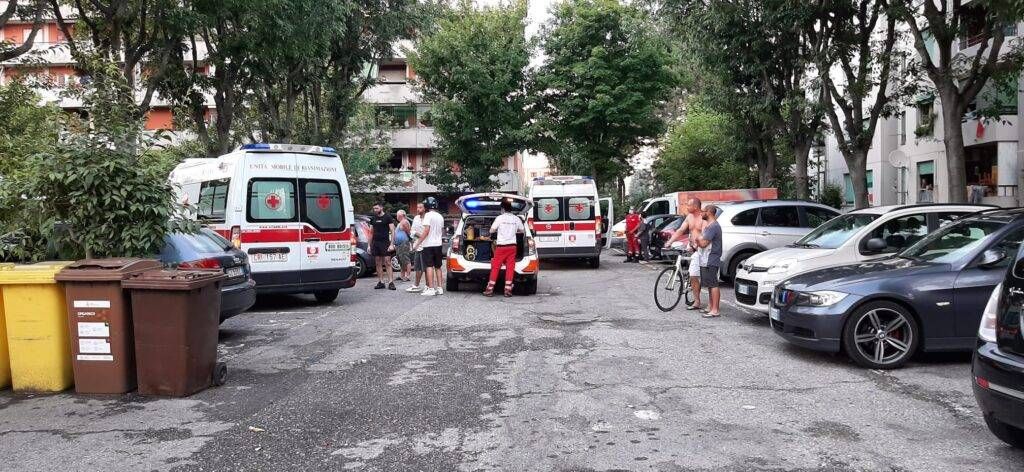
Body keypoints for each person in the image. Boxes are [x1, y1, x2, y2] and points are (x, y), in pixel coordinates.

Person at [663, 197, 707, 310]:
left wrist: (696, 246)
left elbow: (705, 235)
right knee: (691, 273)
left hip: (701, 248)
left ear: (695, 206)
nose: (687, 207)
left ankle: (698, 299)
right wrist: (669, 242)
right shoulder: (689, 217)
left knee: (696, 275)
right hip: (691, 246)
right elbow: (680, 230)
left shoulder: (703, 218)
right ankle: (695, 298)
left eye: (689, 205)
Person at [484, 199, 525, 297]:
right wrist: (513, 231)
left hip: (501, 247)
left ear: (502, 209)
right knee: (510, 268)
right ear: (511, 208)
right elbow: (522, 230)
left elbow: (491, 230)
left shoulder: (499, 218)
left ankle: (489, 290)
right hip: (512, 247)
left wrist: (498, 230)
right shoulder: (516, 219)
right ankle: (508, 290)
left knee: (495, 267)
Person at [412, 196, 446, 296]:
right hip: (438, 244)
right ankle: (440, 288)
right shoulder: (440, 216)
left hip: (428, 245)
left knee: (429, 266)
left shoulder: (427, 216)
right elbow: (441, 231)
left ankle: (431, 288)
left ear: (427, 205)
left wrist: (418, 243)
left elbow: (426, 230)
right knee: (438, 266)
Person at [695, 204, 723, 317]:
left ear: (709, 212)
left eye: (702, 211)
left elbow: (703, 243)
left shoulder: (713, 226)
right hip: (706, 258)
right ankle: (711, 307)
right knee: (710, 285)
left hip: (711, 258)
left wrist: (697, 239)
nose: (701, 213)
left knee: (713, 284)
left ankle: (715, 310)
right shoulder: (709, 226)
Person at [368, 204, 397, 290]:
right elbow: (371, 232)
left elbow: (393, 231)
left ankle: (391, 282)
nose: (375, 210)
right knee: (377, 262)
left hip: (385, 243)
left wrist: (392, 244)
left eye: (376, 208)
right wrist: (369, 245)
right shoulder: (373, 218)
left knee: (387, 262)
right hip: (375, 243)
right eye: (374, 208)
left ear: (381, 208)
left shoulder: (388, 217)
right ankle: (381, 282)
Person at [406, 203, 427, 293]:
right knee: (417, 267)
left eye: (420, 207)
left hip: (426, 246)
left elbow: (428, 232)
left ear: (425, 208)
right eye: (417, 207)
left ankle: (428, 286)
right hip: (417, 246)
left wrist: (421, 236)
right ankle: (416, 285)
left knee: (426, 268)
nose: (418, 209)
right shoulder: (416, 218)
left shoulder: (428, 218)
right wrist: (420, 235)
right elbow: (412, 231)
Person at [395, 209, 413, 282]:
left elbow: (409, 232)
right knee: (401, 260)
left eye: (397, 215)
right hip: (399, 244)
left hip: (404, 243)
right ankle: (402, 276)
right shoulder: (400, 223)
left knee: (406, 259)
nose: (397, 216)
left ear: (401, 215)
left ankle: (407, 276)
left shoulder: (405, 222)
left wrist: (410, 242)